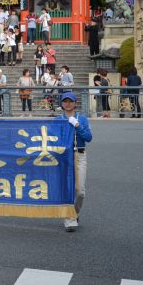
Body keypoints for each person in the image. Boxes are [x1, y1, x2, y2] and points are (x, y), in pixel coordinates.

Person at [58, 91, 92, 232]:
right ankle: (70, 219)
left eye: (70, 101)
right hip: (64, 157)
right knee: (67, 190)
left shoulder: (82, 119)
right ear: (61, 103)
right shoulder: (58, 119)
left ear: (75, 103)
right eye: (65, 101)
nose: (68, 104)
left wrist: (77, 125)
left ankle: (75, 213)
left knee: (80, 191)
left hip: (79, 154)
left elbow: (89, 137)